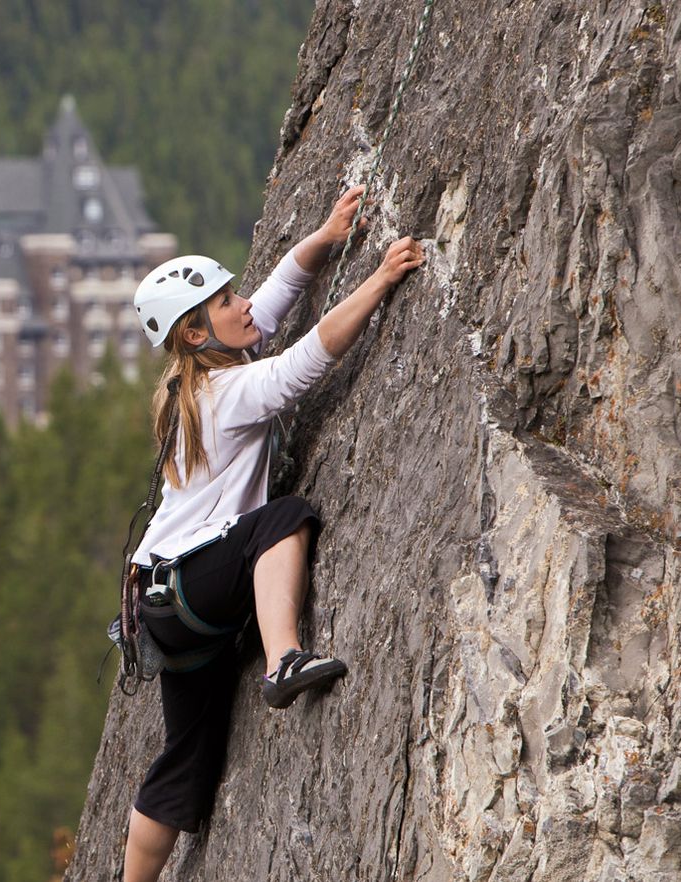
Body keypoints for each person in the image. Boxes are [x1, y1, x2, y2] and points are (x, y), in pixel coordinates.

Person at [119, 185, 424, 880]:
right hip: (192, 589)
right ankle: (286, 660)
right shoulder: (226, 394)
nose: (244, 303)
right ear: (197, 332)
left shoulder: (194, 384)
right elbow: (304, 362)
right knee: (284, 518)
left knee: (184, 762)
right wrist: (378, 277)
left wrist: (325, 236)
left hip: (161, 606)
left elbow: (278, 294)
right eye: (227, 302)